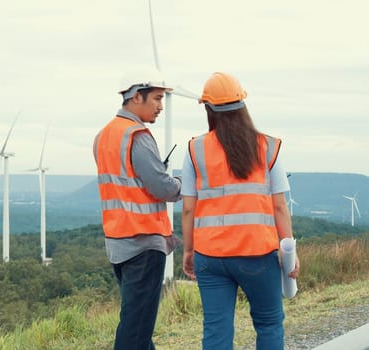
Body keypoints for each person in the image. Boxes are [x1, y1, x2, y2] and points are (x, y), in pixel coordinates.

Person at [181, 72, 300, 350]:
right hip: (258, 255)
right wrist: (289, 251)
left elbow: (188, 209)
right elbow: (279, 205)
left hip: (210, 257)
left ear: (208, 109)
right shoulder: (267, 147)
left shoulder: (195, 150)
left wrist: (189, 251)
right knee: (269, 324)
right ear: (242, 105)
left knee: (216, 330)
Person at [93, 67, 182, 350]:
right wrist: (183, 184)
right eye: (156, 98)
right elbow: (162, 188)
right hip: (143, 243)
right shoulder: (137, 136)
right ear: (135, 97)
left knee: (137, 322)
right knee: (135, 329)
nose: (160, 107)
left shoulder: (104, 136)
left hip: (118, 243)